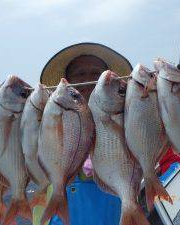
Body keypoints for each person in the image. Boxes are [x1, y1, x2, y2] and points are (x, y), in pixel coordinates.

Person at [33, 42, 133, 225]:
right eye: (80, 74)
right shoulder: (49, 117)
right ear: (68, 81)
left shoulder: (126, 114)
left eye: (95, 74)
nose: (88, 80)